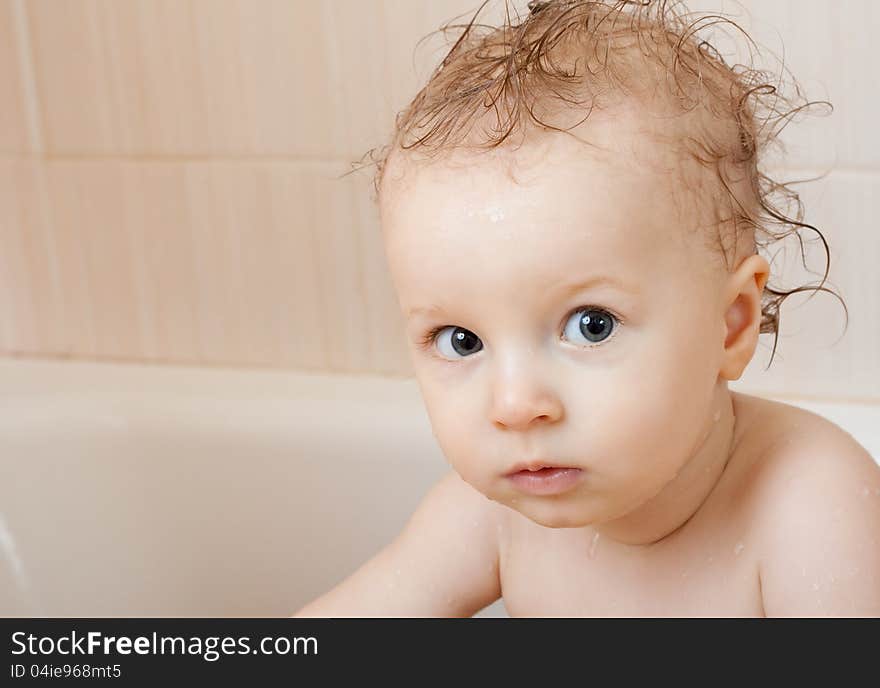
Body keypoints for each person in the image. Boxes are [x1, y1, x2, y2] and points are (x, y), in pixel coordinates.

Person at [294, 0, 880, 617]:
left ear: (730, 324)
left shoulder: (810, 503)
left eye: (591, 326)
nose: (515, 407)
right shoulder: (486, 517)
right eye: (461, 339)